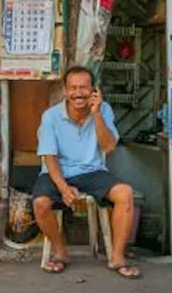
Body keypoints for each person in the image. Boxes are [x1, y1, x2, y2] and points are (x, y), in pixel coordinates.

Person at [32, 65, 141, 279]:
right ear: (65, 91)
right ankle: (61, 251)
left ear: (93, 90)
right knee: (40, 203)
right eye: (73, 88)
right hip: (57, 172)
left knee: (125, 193)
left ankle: (117, 258)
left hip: (92, 171)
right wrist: (63, 188)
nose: (78, 93)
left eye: (83, 88)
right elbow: (49, 158)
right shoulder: (51, 117)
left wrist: (97, 114)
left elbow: (109, 147)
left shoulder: (104, 110)